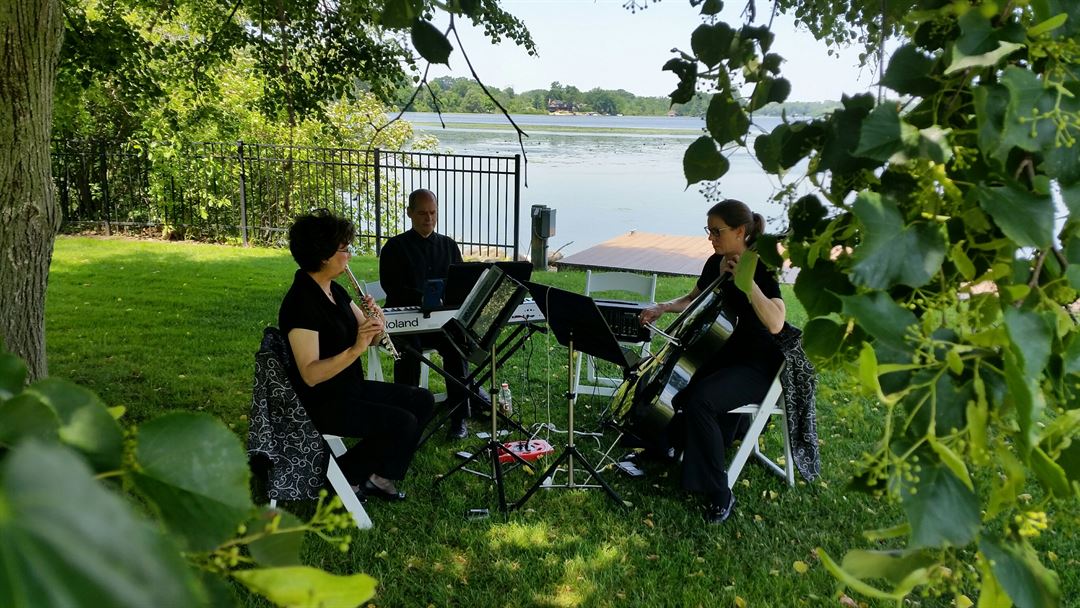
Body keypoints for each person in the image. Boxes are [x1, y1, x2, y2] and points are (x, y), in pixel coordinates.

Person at [639, 199, 786, 524]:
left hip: (757, 366)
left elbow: (776, 322)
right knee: (673, 382)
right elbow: (693, 298)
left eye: (717, 231)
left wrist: (748, 285)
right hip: (722, 357)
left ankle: (720, 491)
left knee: (701, 400)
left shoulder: (760, 267)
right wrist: (663, 307)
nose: (710, 237)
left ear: (740, 231)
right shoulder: (714, 263)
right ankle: (667, 446)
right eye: (708, 231)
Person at [278, 209, 434, 501]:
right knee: (402, 422)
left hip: (349, 387)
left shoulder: (334, 290)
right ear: (323, 255)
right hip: (321, 401)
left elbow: (370, 337)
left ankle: (378, 478)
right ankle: (341, 478)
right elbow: (311, 374)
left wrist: (377, 321)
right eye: (344, 249)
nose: (349, 255)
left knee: (422, 400)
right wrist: (355, 349)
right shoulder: (301, 303)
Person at [379, 188, 476, 439]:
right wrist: (421, 298)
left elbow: (460, 283)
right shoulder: (394, 247)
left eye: (433, 213)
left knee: (456, 346)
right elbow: (392, 288)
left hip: (438, 323)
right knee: (409, 352)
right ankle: (408, 418)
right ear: (409, 213)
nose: (428, 218)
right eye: (422, 213)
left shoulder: (448, 245)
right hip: (405, 323)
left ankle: (459, 417)